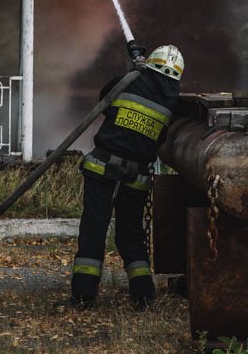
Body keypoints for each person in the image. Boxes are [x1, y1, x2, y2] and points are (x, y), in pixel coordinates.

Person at [69, 41, 184, 310]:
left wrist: (135, 72)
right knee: (131, 234)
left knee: (94, 229)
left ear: (150, 63)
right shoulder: (173, 102)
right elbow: (161, 138)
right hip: (137, 177)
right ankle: (143, 295)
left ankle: (84, 295)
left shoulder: (129, 81)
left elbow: (105, 99)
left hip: (102, 169)